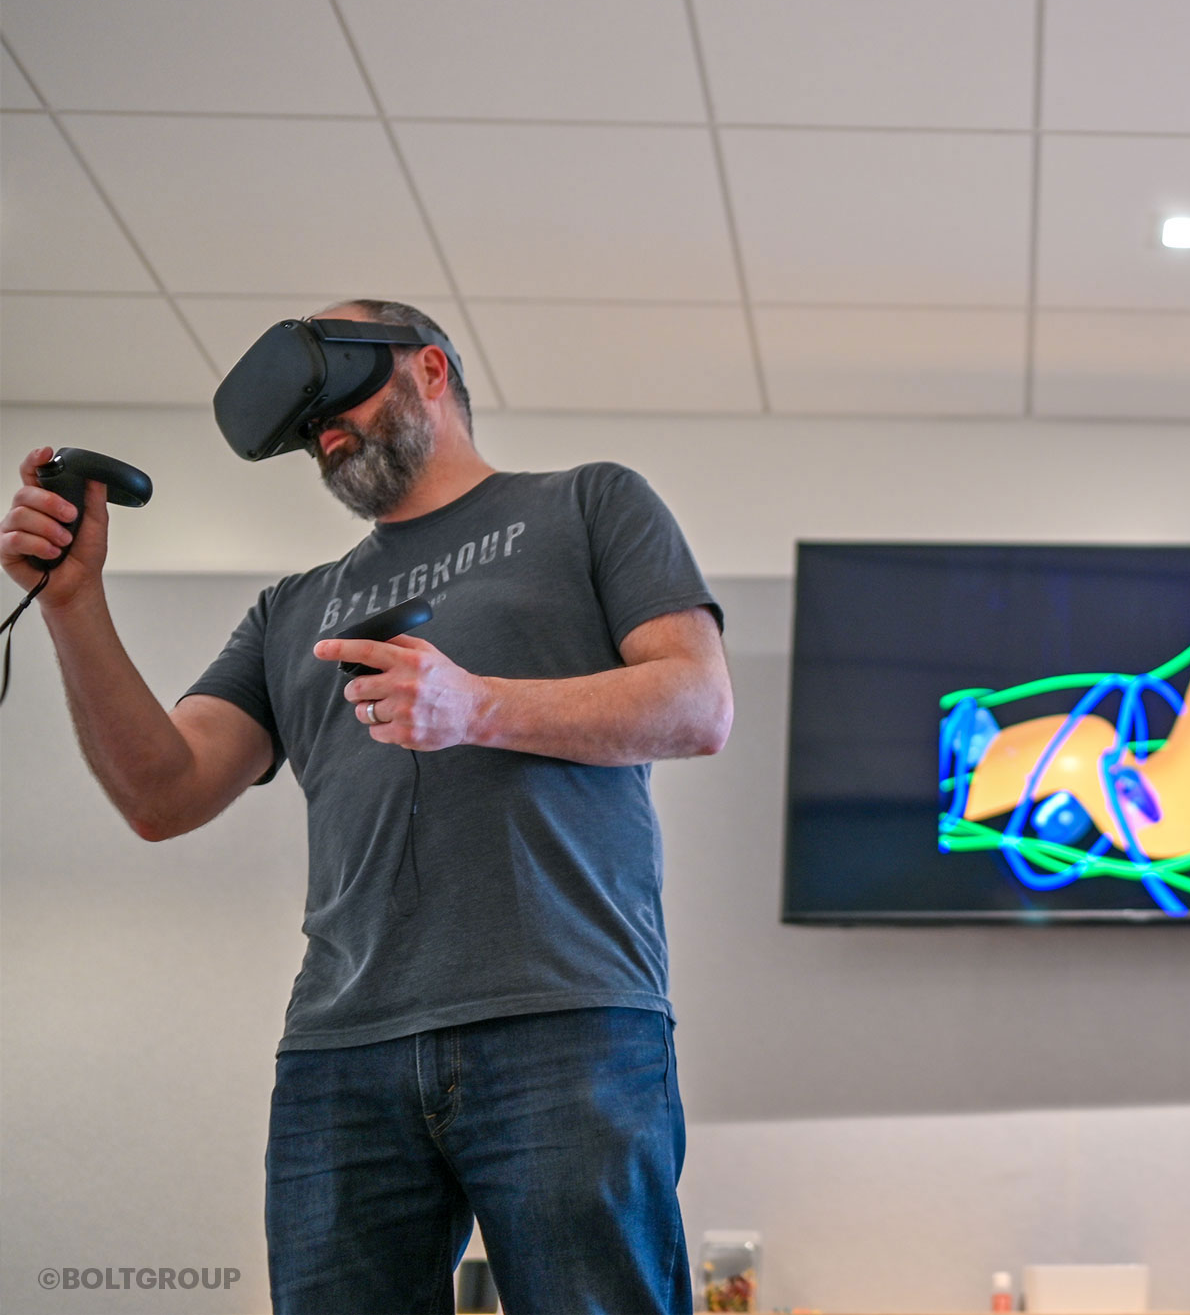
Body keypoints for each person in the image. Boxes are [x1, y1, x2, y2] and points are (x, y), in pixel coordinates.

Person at [1, 300, 734, 1315]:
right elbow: (161, 791)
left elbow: (699, 704)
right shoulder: (289, 609)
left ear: (430, 369)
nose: (323, 431)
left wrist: (474, 703)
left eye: (337, 393)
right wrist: (76, 603)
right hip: (341, 1048)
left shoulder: (588, 505)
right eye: (307, 427)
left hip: (565, 1020)